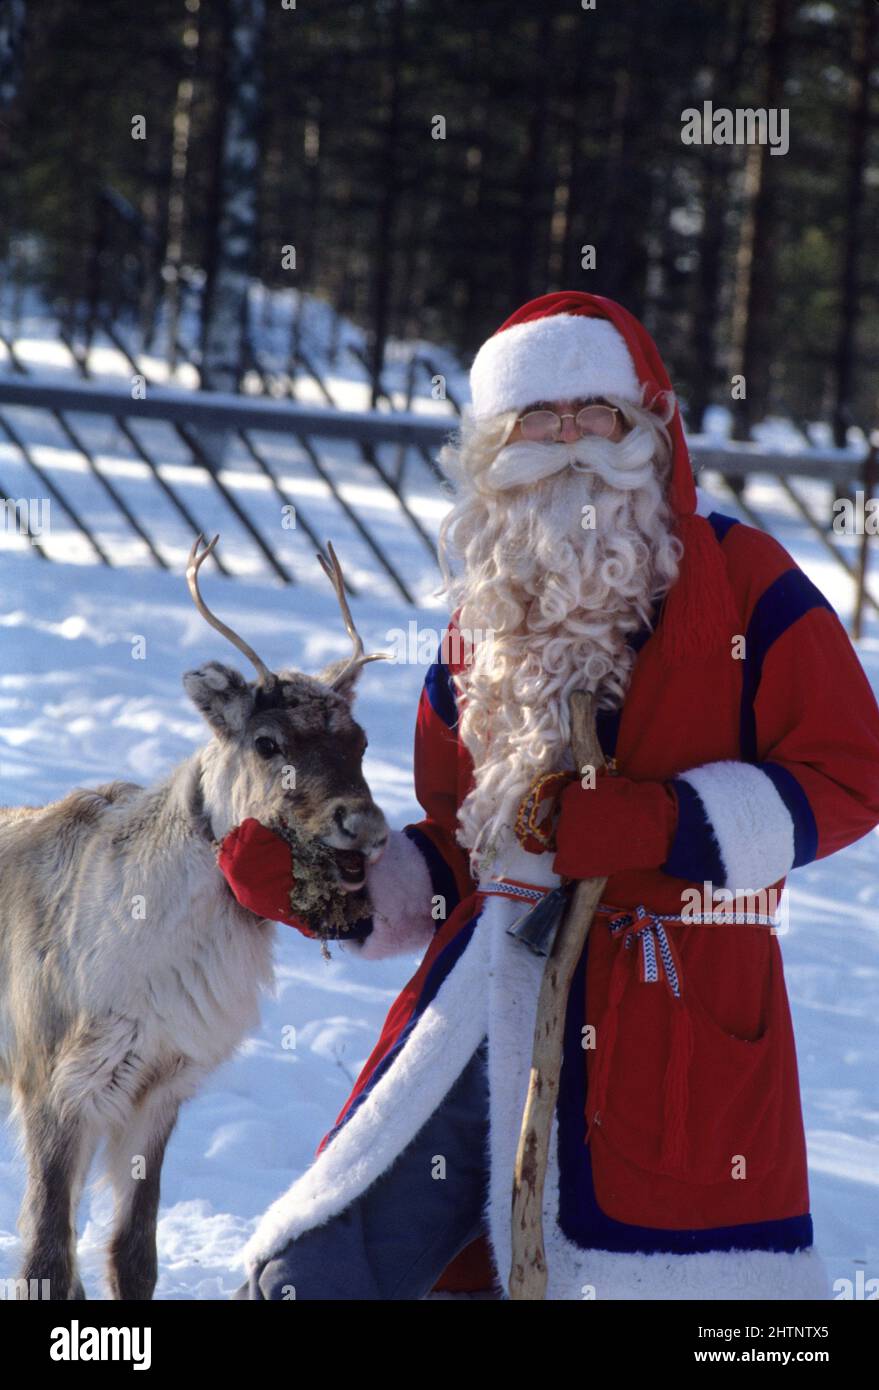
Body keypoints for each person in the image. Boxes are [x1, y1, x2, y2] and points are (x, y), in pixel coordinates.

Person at [223, 290, 879, 1300]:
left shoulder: (747, 579)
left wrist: (662, 825)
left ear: (644, 429)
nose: (569, 441)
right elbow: (457, 842)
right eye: (540, 418)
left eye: (594, 414)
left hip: (671, 1011)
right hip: (482, 1004)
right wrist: (336, 885)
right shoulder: (477, 618)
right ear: (495, 445)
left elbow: (853, 770)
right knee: (315, 1271)